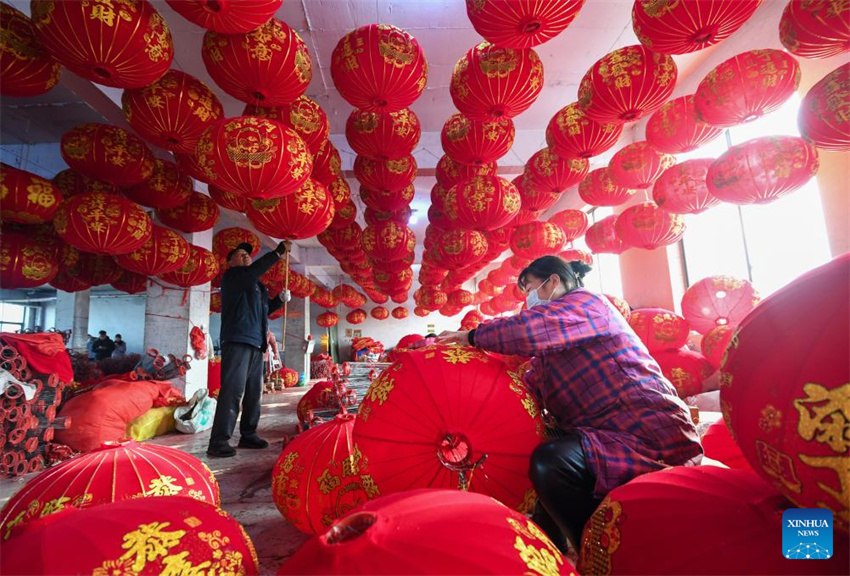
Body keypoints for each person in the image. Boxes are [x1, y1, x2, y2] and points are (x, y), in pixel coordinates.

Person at [437, 256, 703, 552]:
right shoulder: (547, 356)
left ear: (553, 281)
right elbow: (524, 392)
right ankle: (550, 550)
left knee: (550, 461)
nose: (528, 300)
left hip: (645, 430)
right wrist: (470, 401)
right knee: (537, 460)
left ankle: (598, 555)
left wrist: (472, 337)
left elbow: (529, 330)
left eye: (530, 289)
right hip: (602, 434)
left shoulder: (588, 305)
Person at [208, 241, 293, 458]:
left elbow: (265, 310)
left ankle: (248, 434)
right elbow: (252, 272)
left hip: (257, 343)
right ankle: (219, 441)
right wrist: (277, 252)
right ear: (230, 262)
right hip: (238, 340)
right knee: (233, 391)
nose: (245, 256)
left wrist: (279, 300)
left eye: (247, 254)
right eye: (240, 254)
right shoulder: (233, 277)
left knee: (254, 392)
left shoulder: (257, 286)